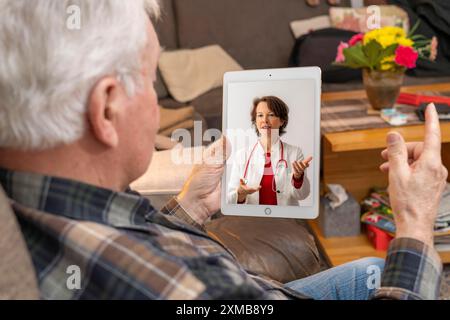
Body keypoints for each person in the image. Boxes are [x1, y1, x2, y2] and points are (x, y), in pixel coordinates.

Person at [0, 0, 447, 300]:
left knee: (368, 269)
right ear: (108, 108)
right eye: (152, 81)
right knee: (392, 268)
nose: (156, 104)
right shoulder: (198, 289)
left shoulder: (29, 198)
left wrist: (188, 208)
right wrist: (415, 226)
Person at [227, 96, 312, 206]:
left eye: (271, 115)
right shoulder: (241, 156)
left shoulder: (294, 153)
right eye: (260, 115)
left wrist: (298, 178)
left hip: (284, 219)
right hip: (252, 220)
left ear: (282, 120)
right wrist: (241, 194)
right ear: (255, 120)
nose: (264, 120)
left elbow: (302, 195)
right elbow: (229, 201)